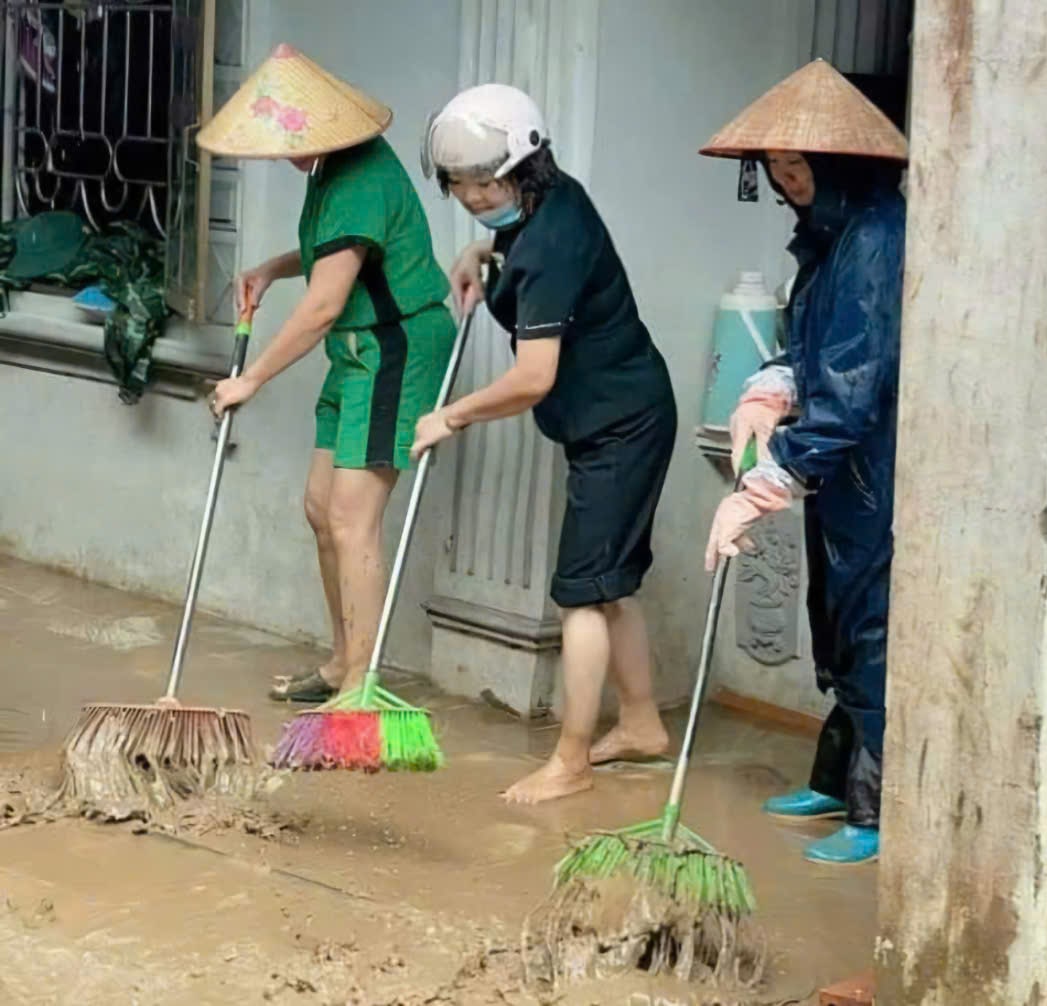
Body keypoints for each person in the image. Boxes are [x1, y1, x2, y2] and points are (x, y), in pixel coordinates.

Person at [412, 84, 677, 804]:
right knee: (610, 583)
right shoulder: (544, 205)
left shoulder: (552, 240)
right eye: (460, 187)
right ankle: (644, 725)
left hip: (621, 425)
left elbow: (533, 377)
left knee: (580, 595)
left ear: (526, 169)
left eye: (484, 184)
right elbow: (513, 241)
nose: (473, 196)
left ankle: (572, 759)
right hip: (613, 416)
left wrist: (453, 415)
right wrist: (478, 252)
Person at [197, 44, 456, 701]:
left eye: (295, 138)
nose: (289, 152)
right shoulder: (333, 173)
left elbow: (323, 305)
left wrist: (250, 379)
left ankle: (360, 687)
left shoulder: (359, 177)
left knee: (352, 518)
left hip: (394, 347)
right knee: (321, 508)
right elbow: (335, 256)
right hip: (357, 349)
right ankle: (342, 662)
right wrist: (271, 268)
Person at [701, 60, 908, 865]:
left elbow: (854, 386)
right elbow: (811, 346)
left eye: (799, 169)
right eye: (779, 170)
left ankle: (875, 807)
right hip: (843, 472)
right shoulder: (829, 238)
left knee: (871, 628)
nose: (788, 184)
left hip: (871, 465)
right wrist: (770, 385)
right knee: (836, 622)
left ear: (842, 165)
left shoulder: (878, 238)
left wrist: (765, 483)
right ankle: (835, 776)